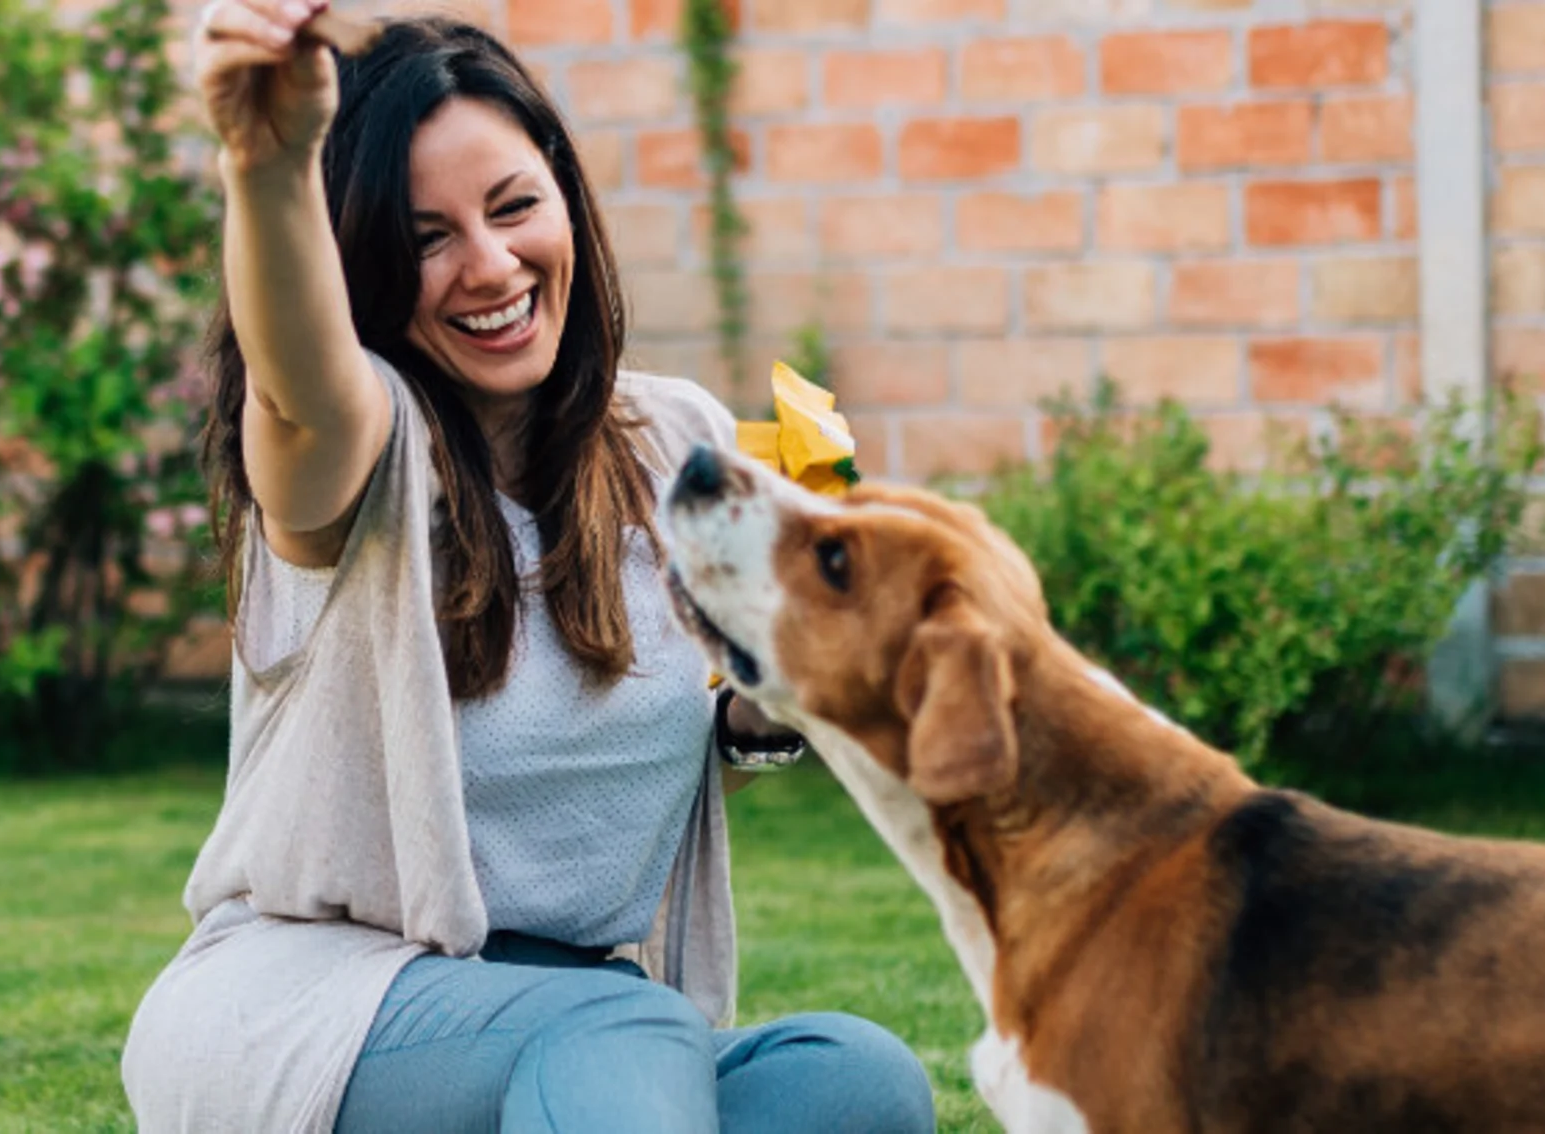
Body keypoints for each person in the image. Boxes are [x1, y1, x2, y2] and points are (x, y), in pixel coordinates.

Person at [119, 5, 939, 1132]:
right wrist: (267, 168)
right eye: (426, 239)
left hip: (559, 1015)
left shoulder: (674, 446)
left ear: (566, 201)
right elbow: (295, 393)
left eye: (513, 208)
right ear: (362, 265)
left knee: (852, 1079)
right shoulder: (362, 456)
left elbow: (660, 765)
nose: (490, 264)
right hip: (307, 1020)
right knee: (629, 1026)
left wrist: (769, 698)